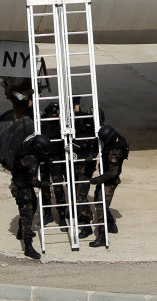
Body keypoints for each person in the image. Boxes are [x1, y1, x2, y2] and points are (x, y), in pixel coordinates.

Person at [10, 133, 53, 260]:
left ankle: (20, 232)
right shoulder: (31, 159)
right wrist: (44, 185)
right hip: (22, 188)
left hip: (20, 183)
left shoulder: (26, 146)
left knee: (33, 206)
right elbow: (34, 181)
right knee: (27, 216)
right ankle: (27, 246)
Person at [89, 124, 129, 247]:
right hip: (105, 177)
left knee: (101, 206)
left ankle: (102, 236)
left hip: (109, 181)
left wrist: (97, 180)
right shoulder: (116, 138)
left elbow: (112, 173)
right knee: (98, 199)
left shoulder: (115, 151)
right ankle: (111, 224)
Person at [72, 97, 99, 239]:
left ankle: (86, 224)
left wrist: (90, 157)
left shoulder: (95, 134)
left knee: (81, 196)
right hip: (77, 164)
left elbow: (94, 152)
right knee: (75, 194)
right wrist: (76, 104)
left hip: (85, 169)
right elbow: (77, 117)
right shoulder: (83, 127)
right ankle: (81, 219)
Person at [40, 102, 68, 230]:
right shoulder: (42, 121)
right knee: (45, 186)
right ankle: (48, 213)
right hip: (45, 159)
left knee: (58, 187)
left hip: (56, 158)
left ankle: (62, 215)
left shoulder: (60, 122)